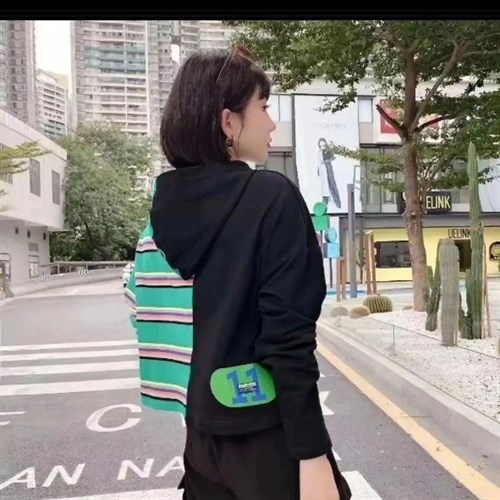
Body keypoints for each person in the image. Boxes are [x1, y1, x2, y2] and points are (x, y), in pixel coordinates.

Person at [150, 46, 352, 500]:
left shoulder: (165, 208)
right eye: (263, 107)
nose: (271, 123)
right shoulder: (270, 196)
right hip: (266, 438)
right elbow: (288, 339)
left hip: (201, 440)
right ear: (229, 122)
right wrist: (313, 456)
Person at [317, 138, 341, 209]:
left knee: (331, 184)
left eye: (323, 145)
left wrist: (326, 161)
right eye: (321, 145)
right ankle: (325, 201)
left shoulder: (328, 150)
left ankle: (337, 202)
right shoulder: (319, 152)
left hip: (328, 169)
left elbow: (333, 157)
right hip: (322, 171)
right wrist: (318, 169)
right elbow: (318, 161)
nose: (322, 147)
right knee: (324, 187)